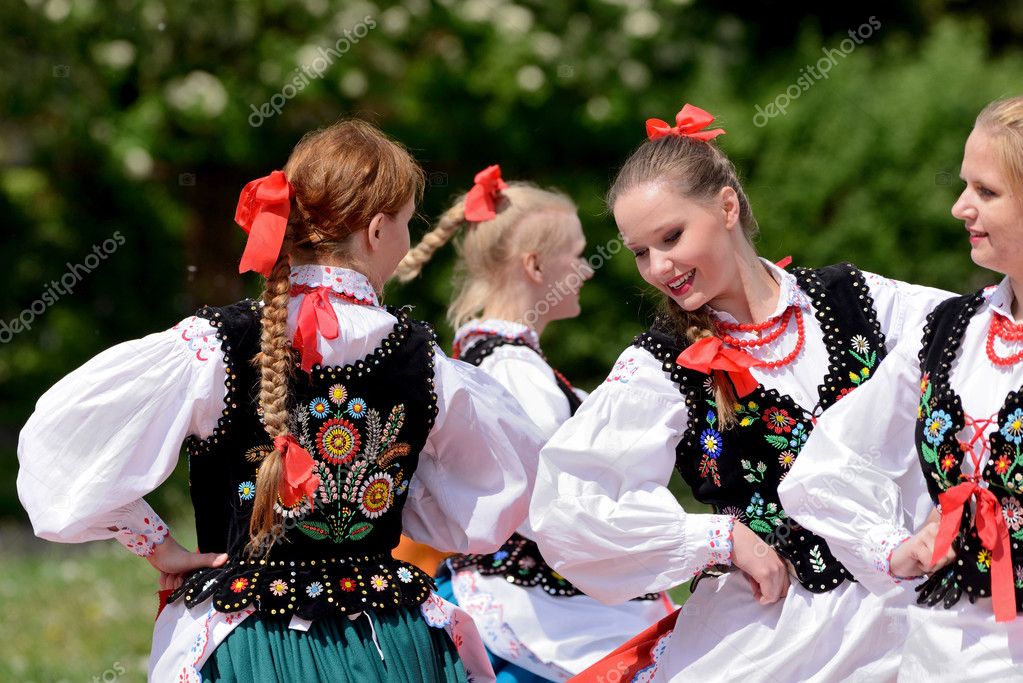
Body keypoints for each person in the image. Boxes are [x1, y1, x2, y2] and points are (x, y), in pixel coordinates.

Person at [17, 119, 546, 682]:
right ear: (375, 230)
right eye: (407, 222)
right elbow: (504, 493)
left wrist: (158, 546)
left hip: (248, 641)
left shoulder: (212, 346)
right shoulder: (426, 362)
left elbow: (66, 447)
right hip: (386, 642)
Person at [528, 104, 952, 681]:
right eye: (640, 251)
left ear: (727, 206)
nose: (659, 266)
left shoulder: (859, 301)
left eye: (671, 236)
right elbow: (570, 504)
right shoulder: (661, 366)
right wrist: (722, 537)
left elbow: (980, 352)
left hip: (921, 610)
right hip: (781, 638)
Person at [394, 165, 672, 681]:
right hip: (542, 615)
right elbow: (544, 501)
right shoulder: (511, 369)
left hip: (532, 602)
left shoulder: (496, 359)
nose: (587, 269)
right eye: (577, 253)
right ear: (537, 267)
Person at [778, 97, 1023, 680]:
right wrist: (895, 547)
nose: (960, 205)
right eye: (966, 186)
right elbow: (830, 463)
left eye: (986, 192)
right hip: (945, 652)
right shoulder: (950, 331)